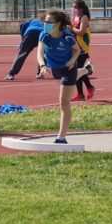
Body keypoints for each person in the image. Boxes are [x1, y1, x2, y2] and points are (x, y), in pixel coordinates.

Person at [37, 9, 93, 144]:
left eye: (49, 22)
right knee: (70, 79)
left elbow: (77, 50)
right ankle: (86, 70)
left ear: (58, 24)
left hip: (68, 68)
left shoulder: (67, 37)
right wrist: (42, 65)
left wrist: (72, 61)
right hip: (55, 69)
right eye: (45, 21)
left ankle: (61, 137)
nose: (46, 24)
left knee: (64, 102)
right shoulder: (44, 35)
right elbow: (39, 53)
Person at [70, 0, 95, 102]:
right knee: (76, 71)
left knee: (78, 71)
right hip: (75, 48)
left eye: (75, 7)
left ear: (80, 9)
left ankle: (88, 88)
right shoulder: (75, 17)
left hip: (82, 48)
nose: (73, 9)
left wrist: (71, 28)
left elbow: (81, 32)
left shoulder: (84, 18)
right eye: (73, 7)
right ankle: (82, 93)